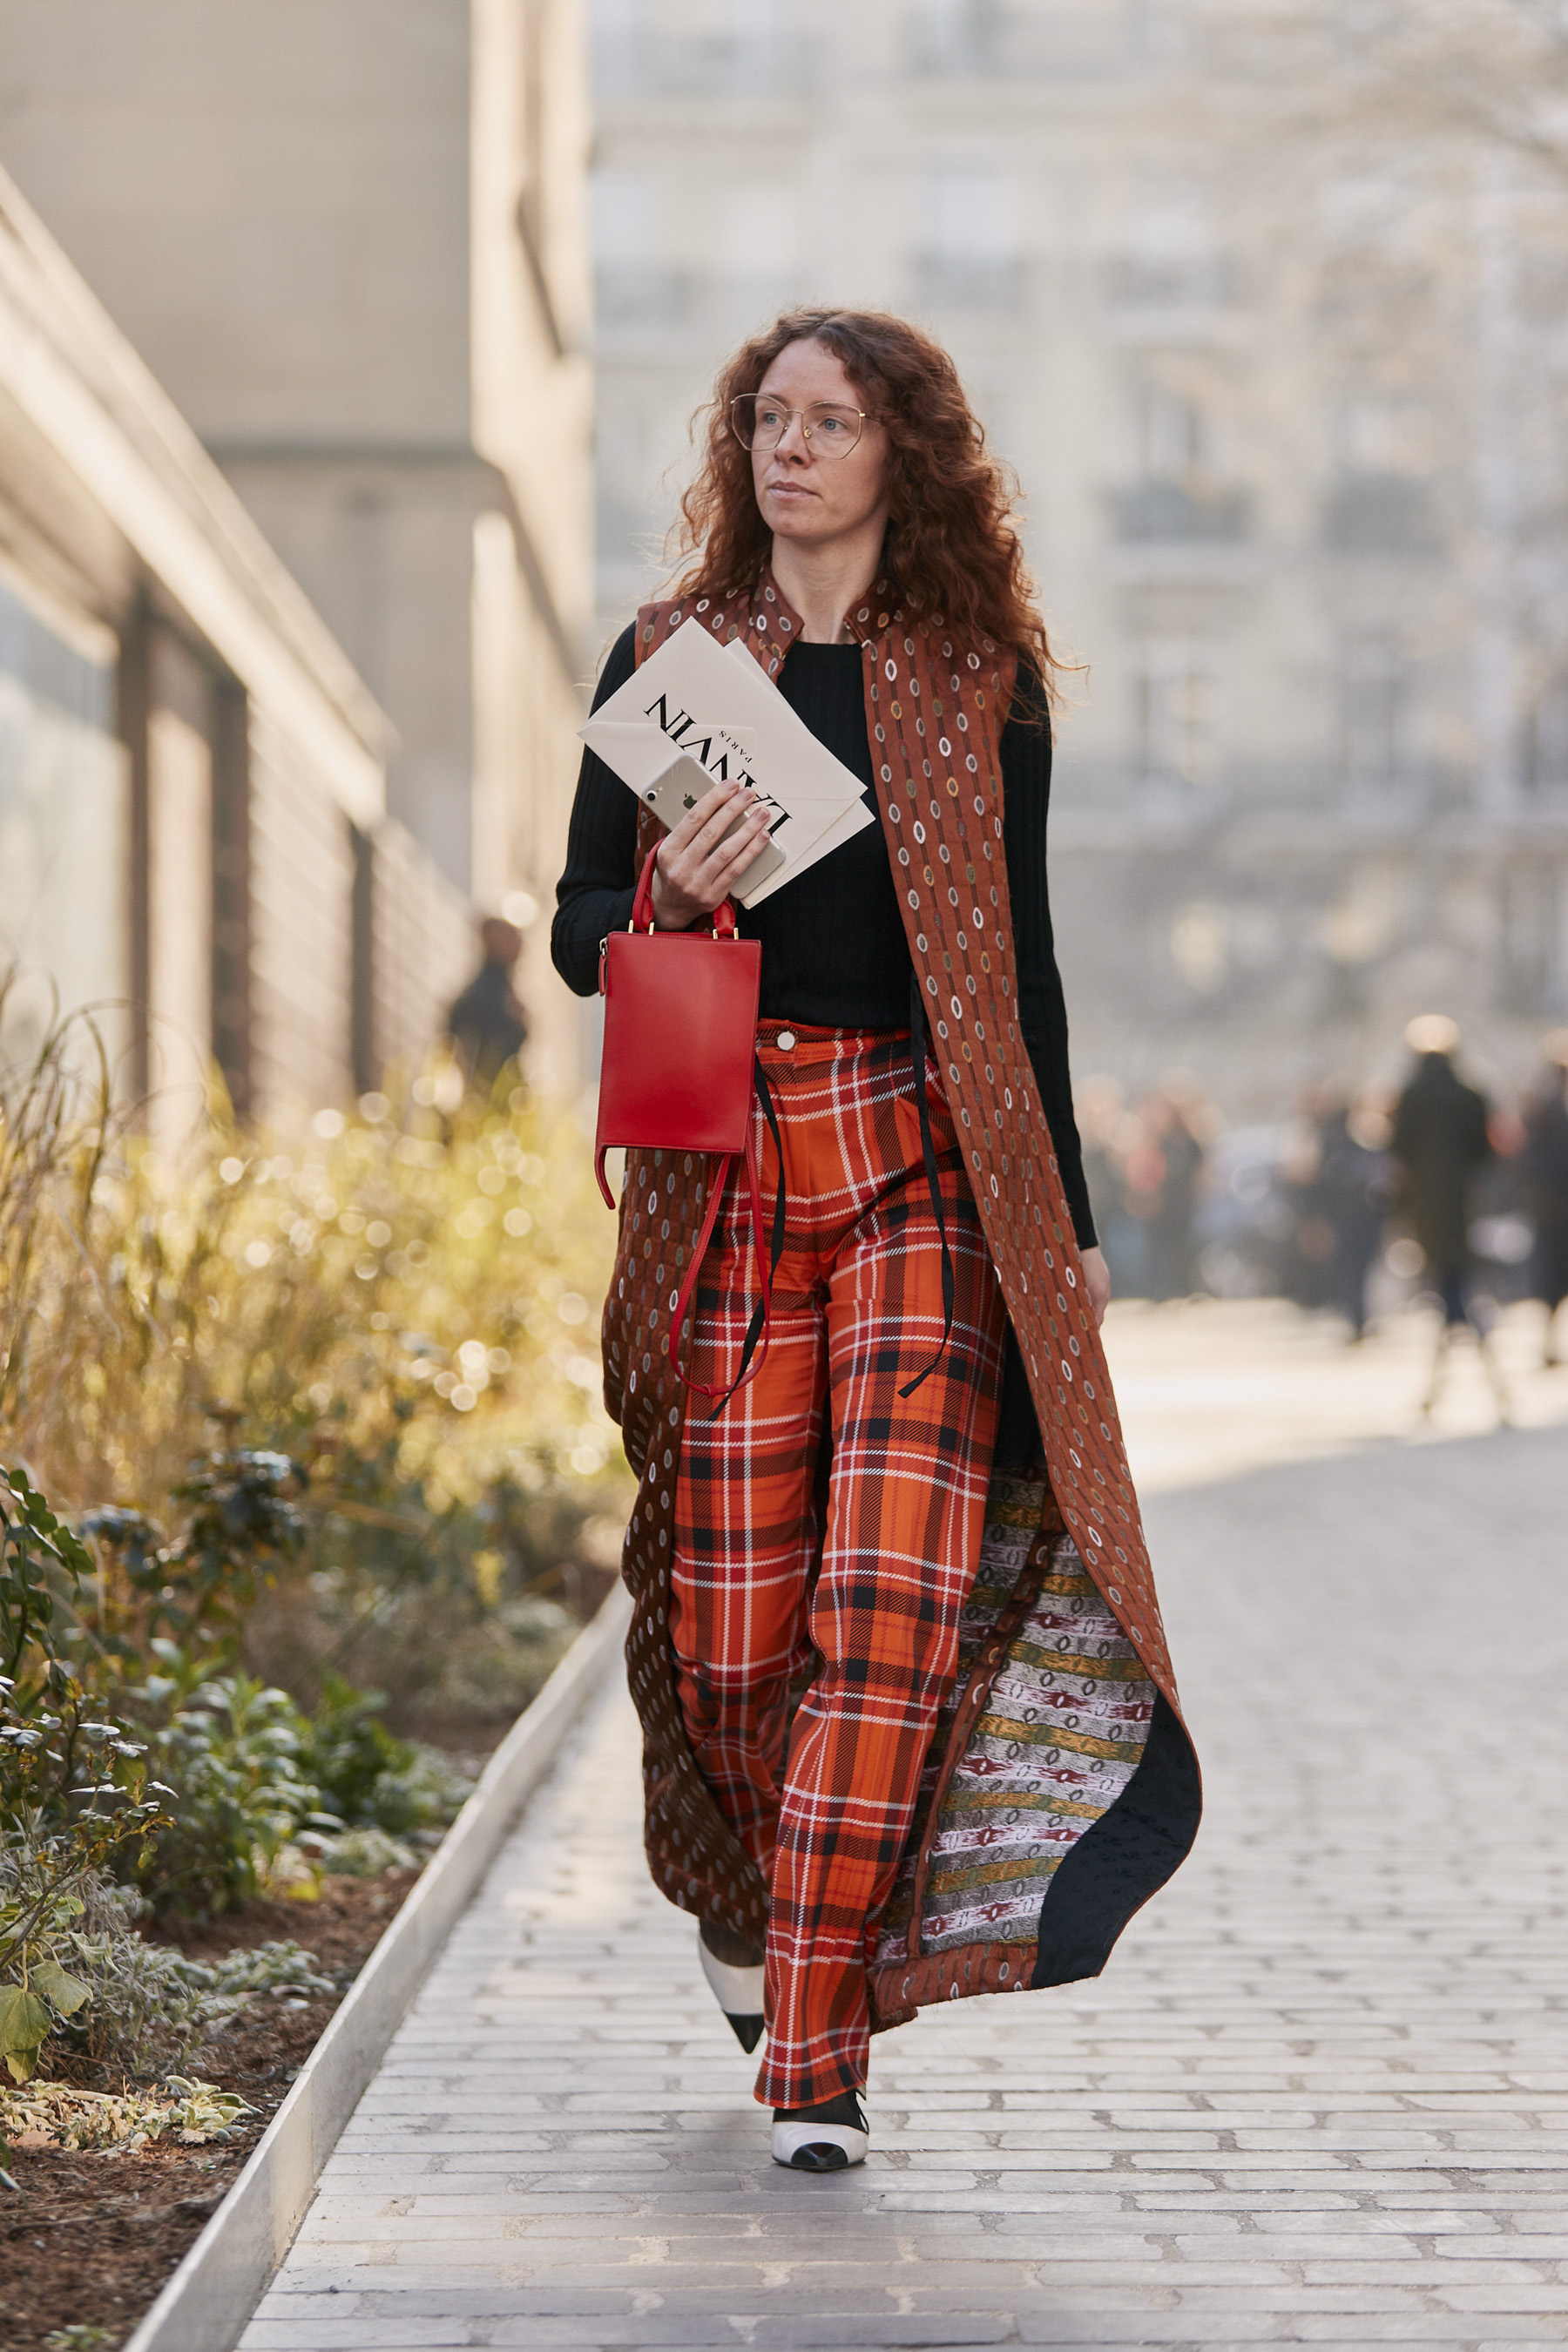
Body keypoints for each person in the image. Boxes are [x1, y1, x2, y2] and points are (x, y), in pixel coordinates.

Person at [552, 309, 1199, 2174]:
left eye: (832, 420)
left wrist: (1060, 1219)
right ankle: (754, 1902)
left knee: (893, 1610)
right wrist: (654, 900)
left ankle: (818, 2044)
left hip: (929, 1161)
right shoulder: (671, 659)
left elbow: (1028, 967)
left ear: (904, 452)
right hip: (730, 1160)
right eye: (769, 417)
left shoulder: (975, 677)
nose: (793, 447)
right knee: (738, 1629)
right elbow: (576, 924)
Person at [1390, 1014, 1504, 1416]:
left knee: (1450, 1291)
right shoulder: (1470, 1094)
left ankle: (1455, 1370)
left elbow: (1398, 1151)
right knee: (1458, 1287)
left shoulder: (1411, 1096)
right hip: (1464, 1208)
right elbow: (1486, 1152)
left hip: (1428, 1212)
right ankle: (1483, 1374)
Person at [1522, 1029, 1568, 1368]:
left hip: (1553, 1206)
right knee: (1552, 1279)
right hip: (1554, 1209)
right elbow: (1532, 1159)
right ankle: (1549, 1341)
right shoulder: (1544, 1108)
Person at [446, 917, 527, 1090]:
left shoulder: (505, 989)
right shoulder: (481, 995)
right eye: (510, 935)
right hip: (485, 1096)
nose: (519, 942)